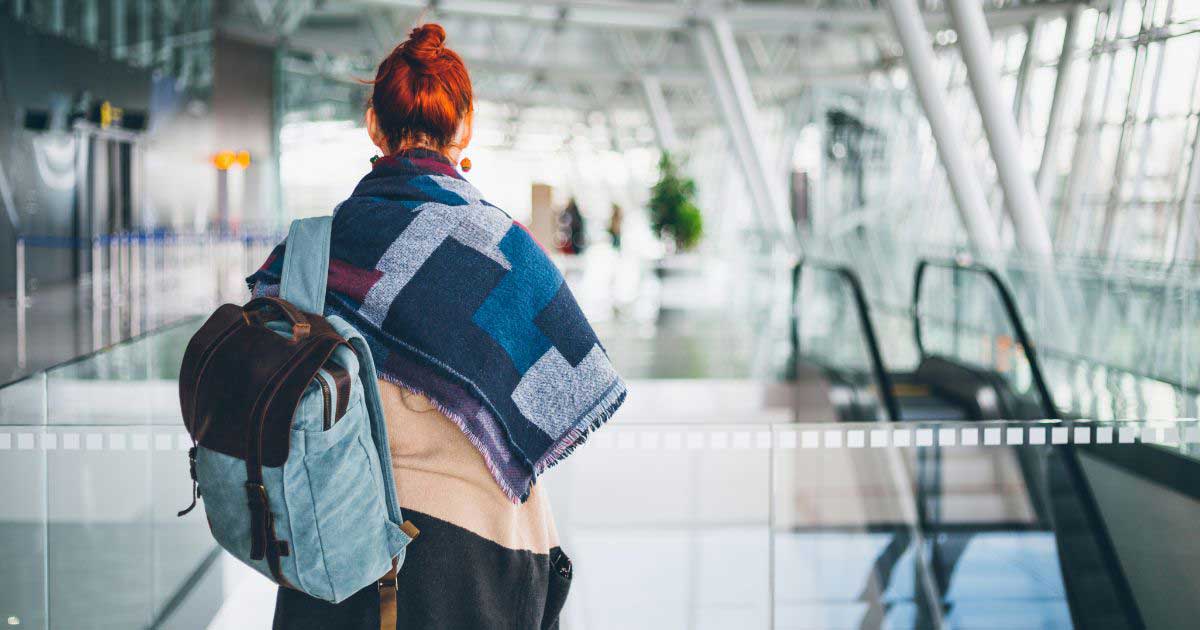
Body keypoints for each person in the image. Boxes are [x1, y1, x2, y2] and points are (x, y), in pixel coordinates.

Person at [249, 23, 625, 630]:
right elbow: (568, 384)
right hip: (472, 562)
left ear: (375, 126)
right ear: (465, 128)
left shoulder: (314, 252)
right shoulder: (509, 253)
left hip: (330, 551)